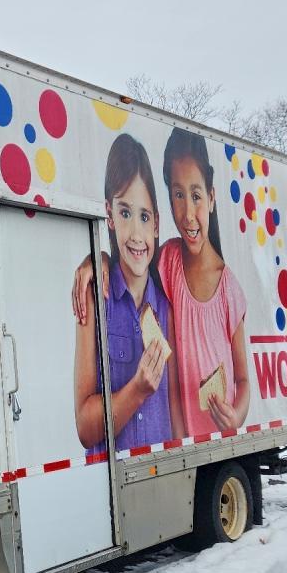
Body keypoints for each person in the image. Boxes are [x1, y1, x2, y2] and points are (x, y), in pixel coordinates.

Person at [73, 128, 250, 437]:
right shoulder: (166, 263)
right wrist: (97, 257)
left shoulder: (224, 290)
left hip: (215, 442)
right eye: (178, 195)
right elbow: (134, 260)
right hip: (165, 450)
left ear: (211, 197)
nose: (188, 213)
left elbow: (242, 378)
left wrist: (236, 416)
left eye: (196, 195)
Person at [74, 134, 184, 453]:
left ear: (157, 224)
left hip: (162, 474)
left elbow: (175, 416)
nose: (136, 234)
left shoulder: (167, 307)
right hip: (109, 477)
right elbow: (85, 428)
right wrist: (137, 389)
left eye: (144, 216)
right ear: (109, 214)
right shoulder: (95, 296)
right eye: (125, 213)